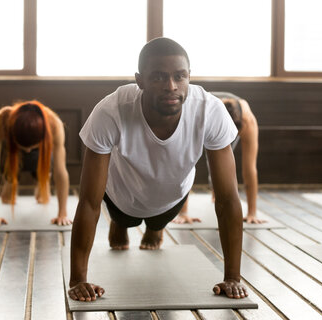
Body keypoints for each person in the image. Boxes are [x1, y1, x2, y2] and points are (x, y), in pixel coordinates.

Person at [68, 37, 247, 302]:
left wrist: (233, 277)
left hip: (172, 196)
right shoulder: (110, 111)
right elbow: (89, 202)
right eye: (159, 78)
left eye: (180, 76)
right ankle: (120, 224)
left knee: (158, 220)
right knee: (125, 218)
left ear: (189, 77)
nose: (171, 87)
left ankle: (155, 227)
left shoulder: (209, 110)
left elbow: (227, 199)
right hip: (120, 197)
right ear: (139, 81)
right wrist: (78, 280)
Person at [173, 92, 265, 224]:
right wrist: (183, 213)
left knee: (223, 162)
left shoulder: (247, 122)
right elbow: (184, 163)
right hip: (205, 117)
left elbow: (250, 169)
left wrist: (252, 213)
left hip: (233, 119)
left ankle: (217, 194)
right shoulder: (200, 113)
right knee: (200, 158)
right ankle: (204, 198)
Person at [0, 100, 71, 226]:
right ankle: (11, 178)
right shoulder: (0, 122)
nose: (28, 151)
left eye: (31, 147)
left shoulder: (54, 124)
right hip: (13, 151)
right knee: (6, 199)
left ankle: (44, 180)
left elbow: (60, 170)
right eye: (25, 148)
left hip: (42, 151)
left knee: (43, 199)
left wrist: (62, 214)